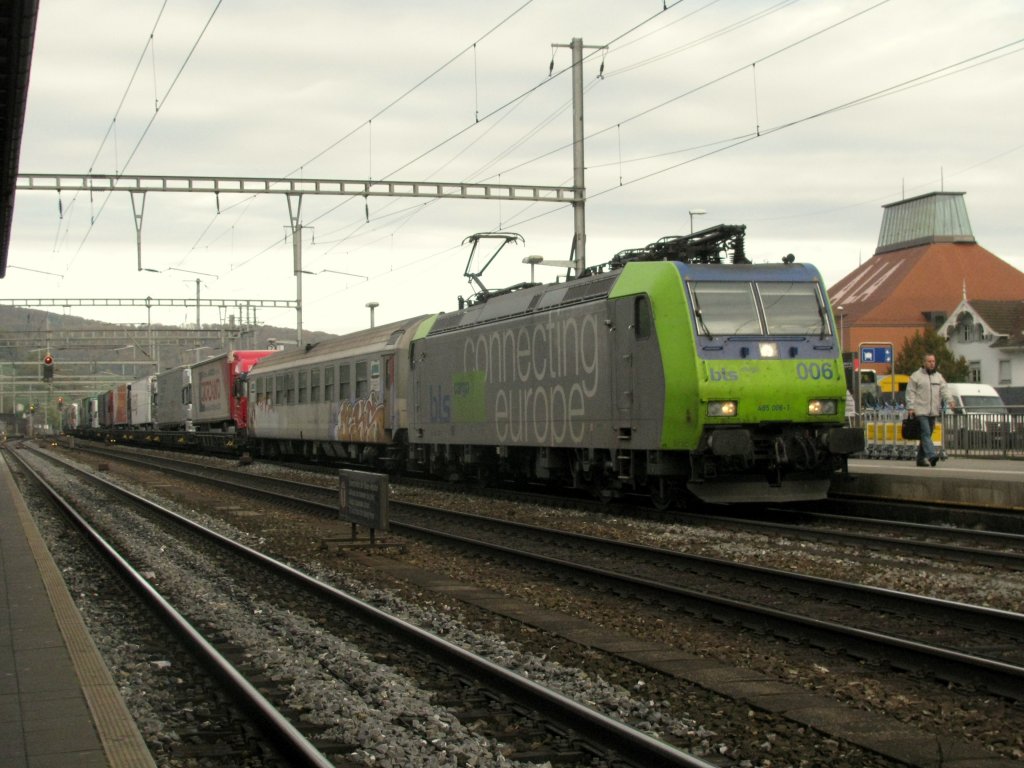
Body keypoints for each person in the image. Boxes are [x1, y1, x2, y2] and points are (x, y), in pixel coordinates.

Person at [905, 353, 954, 467]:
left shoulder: (938, 376)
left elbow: (944, 390)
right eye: (929, 361)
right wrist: (911, 407)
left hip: (933, 411)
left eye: (933, 361)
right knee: (926, 433)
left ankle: (920, 459)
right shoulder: (916, 376)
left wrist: (950, 400)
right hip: (920, 410)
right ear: (924, 363)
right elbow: (910, 392)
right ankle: (932, 456)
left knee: (927, 434)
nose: (932, 364)